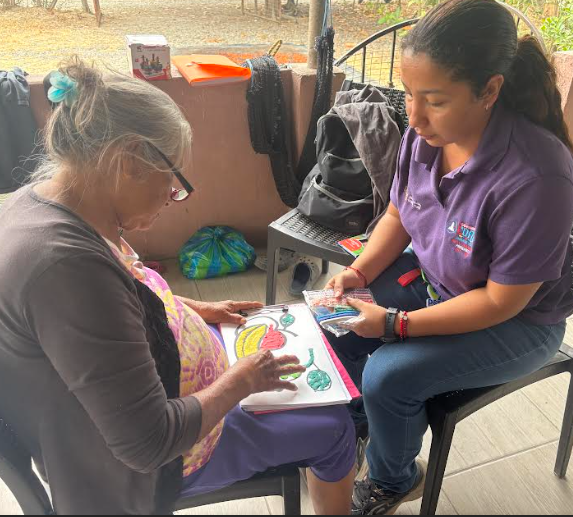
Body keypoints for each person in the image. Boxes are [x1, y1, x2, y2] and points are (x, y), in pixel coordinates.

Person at [0, 57, 356, 515]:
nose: (173, 196)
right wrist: (242, 380)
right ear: (129, 161)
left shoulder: (46, 203)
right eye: (172, 179)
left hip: (154, 392)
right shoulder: (67, 270)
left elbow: (120, 301)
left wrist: (188, 307)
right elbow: (149, 443)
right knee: (334, 426)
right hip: (144, 467)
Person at [325, 0, 573, 514]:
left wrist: (395, 325)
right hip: (437, 282)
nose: (414, 115)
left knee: (388, 377)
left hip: (517, 322)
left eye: (435, 101)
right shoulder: (426, 137)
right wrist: (357, 272)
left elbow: (500, 303)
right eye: (408, 94)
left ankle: (393, 478)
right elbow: (398, 215)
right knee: (335, 321)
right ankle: (360, 425)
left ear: (489, 90)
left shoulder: (536, 176)